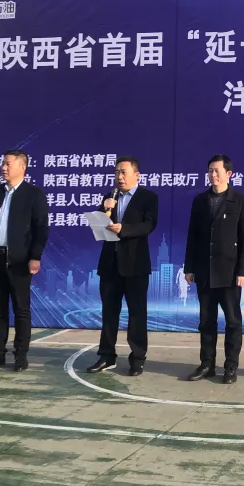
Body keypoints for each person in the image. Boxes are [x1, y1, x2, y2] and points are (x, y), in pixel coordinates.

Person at [0, 150, 49, 372]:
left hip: (19, 260)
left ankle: (20, 355)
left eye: (8, 164)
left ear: (22, 167)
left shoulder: (33, 194)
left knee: (21, 309)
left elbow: (41, 229)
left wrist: (35, 257)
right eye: (2, 164)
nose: (3, 168)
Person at [84, 156, 159, 378]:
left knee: (137, 314)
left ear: (137, 175)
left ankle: (137, 358)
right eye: (117, 172)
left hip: (135, 265)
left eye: (124, 172)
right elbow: (100, 224)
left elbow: (149, 224)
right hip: (110, 264)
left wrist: (123, 229)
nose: (119, 176)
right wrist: (103, 209)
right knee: (109, 313)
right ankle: (106, 356)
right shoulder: (110, 196)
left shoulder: (148, 197)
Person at [183, 155, 244, 384]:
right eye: (210, 171)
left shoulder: (240, 201)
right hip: (205, 271)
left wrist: (242, 271)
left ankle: (231, 366)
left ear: (228, 174)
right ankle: (207, 364)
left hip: (229, 272)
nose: (213, 175)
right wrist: (189, 267)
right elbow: (192, 236)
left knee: (233, 322)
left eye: (217, 171)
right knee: (206, 321)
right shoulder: (200, 200)